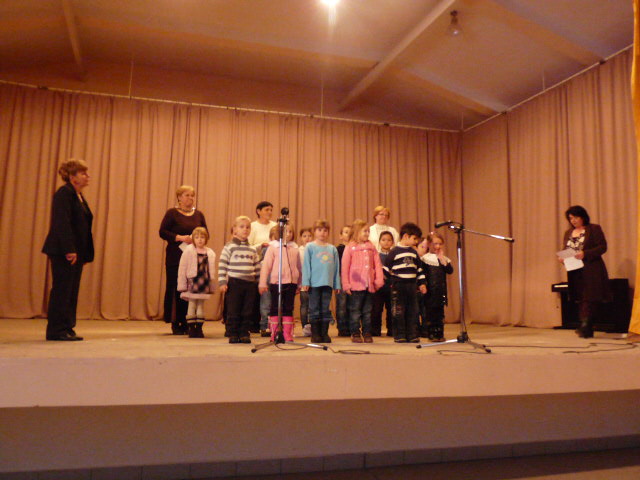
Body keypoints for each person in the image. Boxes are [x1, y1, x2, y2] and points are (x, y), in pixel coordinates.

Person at [42, 159, 94, 341]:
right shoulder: (64, 193)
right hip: (63, 251)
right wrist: (69, 249)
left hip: (76, 251)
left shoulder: (78, 196)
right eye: (83, 173)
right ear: (73, 177)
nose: (87, 176)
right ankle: (56, 330)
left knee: (71, 291)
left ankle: (67, 327)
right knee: (62, 290)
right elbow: (61, 223)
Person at [159, 185, 207, 335]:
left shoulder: (199, 214)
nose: (190, 198)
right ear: (179, 197)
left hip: (194, 256)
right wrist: (179, 237)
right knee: (176, 287)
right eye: (187, 195)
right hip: (176, 256)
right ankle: (176, 322)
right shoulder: (172, 213)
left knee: (192, 288)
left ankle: (189, 321)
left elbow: (206, 232)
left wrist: (197, 238)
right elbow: (162, 232)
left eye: (192, 195)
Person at [559, 205, 611, 338]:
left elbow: (602, 247)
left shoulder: (594, 229)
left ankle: (586, 325)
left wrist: (585, 253)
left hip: (591, 268)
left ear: (583, 217)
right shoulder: (568, 232)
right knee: (580, 297)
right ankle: (586, 325)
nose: (573, 220)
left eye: (576, 217)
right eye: (571, 218)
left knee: (590, 297)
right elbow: (566, 249)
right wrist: (563, 257)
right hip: (574, 269)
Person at [218, 216, 261, 343]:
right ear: (235, 230)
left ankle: (244, 332)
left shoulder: (252, 249)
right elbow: (223, 264)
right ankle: (233, 332)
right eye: (242, 227)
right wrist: (222, 281)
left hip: (250, 284)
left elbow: (257, 266)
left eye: (248, 227)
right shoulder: (229, 247)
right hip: (235, 283)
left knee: (247, 310)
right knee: (234, 309)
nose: (245, 229)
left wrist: (259, 282)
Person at [341, 220, 384, 343]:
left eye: (368, 231)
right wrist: (346, 284)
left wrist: (379, 280)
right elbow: (345, 267)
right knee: (355, 311)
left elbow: (377, 265)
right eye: (365, 231)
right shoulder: (350, 247)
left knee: (367, 311)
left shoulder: (371, 247)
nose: (367, 233)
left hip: (369, 286)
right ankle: (355, 333)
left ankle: (367, 333)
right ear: (356, 232)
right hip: (355, 286)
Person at [383, 222, 427, 343]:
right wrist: (387, 282)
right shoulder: (394, 252)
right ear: (406, 236)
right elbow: (385, 269)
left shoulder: (414, 253)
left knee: (412, 311)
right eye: (414, 239)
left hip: (412, 286)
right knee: (398, 311)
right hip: (398, 286)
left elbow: (419, 269)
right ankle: (399, 335)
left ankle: (412, 334)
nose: (416, 242)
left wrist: (422, 283)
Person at [301, 219, 341, 343]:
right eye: (319, 230)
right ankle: (315, 334)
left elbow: (336, 268)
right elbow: (306, 265)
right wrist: (306, 282)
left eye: (325, 230)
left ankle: (324, 333)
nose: (322, 233)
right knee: (314, 309)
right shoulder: (310, 247)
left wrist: (337, 284)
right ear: (314, 231)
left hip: (327, 284)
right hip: (314, 284)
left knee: (325, 309)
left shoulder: (332, 249)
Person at [259, 224, 301, 342]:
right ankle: (275, 332)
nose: (288, 234)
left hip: (291, 283)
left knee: (288, 308)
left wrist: (299, 283)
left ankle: (287, 334)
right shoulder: (273, 247)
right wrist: (262, 283)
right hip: (276, 283)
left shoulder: (295, 248)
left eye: (290, 231)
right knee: (275, 307)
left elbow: (299, 267)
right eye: (286, 231)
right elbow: (266, 266)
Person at [177, 227, 216, 338]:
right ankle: (191, 328)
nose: (200, 239)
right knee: (192, 303)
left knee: (200, 305)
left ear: (206, 239)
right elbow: (182, 268)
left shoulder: (209, 252)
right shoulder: (188, 251)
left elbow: (211, 270)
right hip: (192, 281)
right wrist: (182, 284)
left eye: (202, 237)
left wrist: (211, 284)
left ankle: (199, 328)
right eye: (197, 237)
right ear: (193, 239)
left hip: (203, 281)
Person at [249, 201, 277, 335]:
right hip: (258, 263)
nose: (269, 212)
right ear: (258, 211)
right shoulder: (252, 226)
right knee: (260, 296)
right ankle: (258, 323)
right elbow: (248, 246)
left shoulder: (275, 226)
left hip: (275, 264)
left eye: (271, 210)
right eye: (266, 209)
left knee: (271, 296)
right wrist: (261, 245)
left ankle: (272, 324)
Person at [419, 232, 453, 341]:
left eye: (440, 244)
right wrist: (422, 285)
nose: (437, 246)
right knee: (430, 313)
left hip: (440, 291)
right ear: (429, 244)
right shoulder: (425, 259)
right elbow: (422, 273)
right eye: (435, 244)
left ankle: (440, 333)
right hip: (430, 291)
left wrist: (442, 259)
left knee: (440, 313)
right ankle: (431, 333)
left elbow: (450, 270)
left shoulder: (443, 259)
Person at [371, 230, 394, 336]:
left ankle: (392, 330)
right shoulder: (376, 255)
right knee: (376, 309)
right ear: (379, 242)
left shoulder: (394, 255)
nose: (386, 242)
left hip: (391, 285)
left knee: (391, 309)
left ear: (392, 242)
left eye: (389, 240)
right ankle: (375, 330)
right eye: (383, 240)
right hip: (378, 286)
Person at [335, 225, 352, 337]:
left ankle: (352, 326)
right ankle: (342, 328)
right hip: (341, 278)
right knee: (342, 303)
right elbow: (336, 266)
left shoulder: (354, 248)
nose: (348, 234)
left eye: (350, 232)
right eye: (346, 232)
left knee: (352, 304)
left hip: (353, 279)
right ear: (340, 236)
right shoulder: (338, 249)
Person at [298, 227, 314, 336]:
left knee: (313, 305)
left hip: (314, 282)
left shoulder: (315, 249)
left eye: (309, 236)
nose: (307, 238)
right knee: (304, 305)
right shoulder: (299, 251)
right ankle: (304, 326)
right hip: (303, 282)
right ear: (301, 238)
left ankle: (313, 326)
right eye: (304, 236)